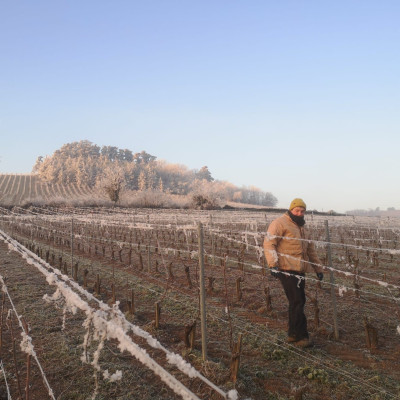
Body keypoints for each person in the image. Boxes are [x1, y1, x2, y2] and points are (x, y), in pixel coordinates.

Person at [263, 198, 324, 348]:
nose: (299, 213)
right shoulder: (279, 223)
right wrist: (273, 264)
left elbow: (310, 250)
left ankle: (292, 334)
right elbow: (269, 243)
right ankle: (302, 336)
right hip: (286, 269)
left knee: (297, 301)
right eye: (297, 210)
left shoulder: (302, 228)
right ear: (291, 210)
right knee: (298, 301)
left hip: (299, 270)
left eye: (302, 211)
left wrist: (318, 269)